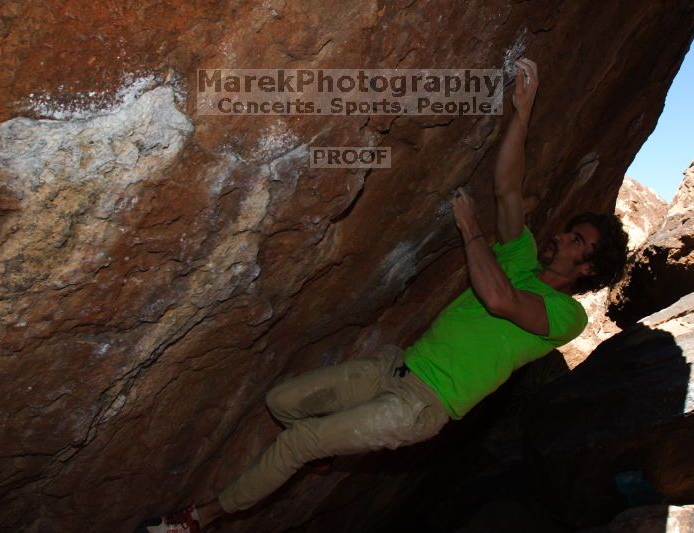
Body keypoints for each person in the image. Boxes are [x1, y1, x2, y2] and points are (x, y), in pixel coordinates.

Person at [137, 57, 630, 532]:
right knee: (282, 402)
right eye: (570, 231)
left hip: (422, 405)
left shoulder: (566, 316)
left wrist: (471, 232)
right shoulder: (522, 255)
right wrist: (521, 112)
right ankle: (329, 447)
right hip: (395, 367)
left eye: (577, 242)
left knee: (299, 442)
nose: (562, 238)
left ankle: (199, 519)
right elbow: (508, 188)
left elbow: (500, 300)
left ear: (586, 268)